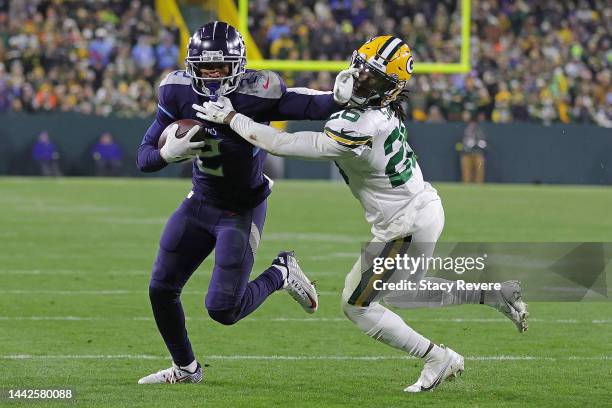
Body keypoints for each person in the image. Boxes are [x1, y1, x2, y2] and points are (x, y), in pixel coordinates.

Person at [198, 35, 529, 392]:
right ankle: (493, 294)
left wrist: (232, 118)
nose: (362, 80)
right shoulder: (373, 110)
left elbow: (282, 143)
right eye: (362, 71)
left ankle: (437, 357)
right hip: (420, 209)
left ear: (389, 89)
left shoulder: (360, 124)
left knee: (356, 304)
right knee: (406, 291)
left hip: (405, 224)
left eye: (374, 79)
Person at [136, 21, 355, 384]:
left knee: (223, 310)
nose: (212, 75)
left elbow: (312, 105)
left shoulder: (258, 92)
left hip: (241, 209)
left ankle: (281, 273)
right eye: (205, 67)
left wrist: (341, 97)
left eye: (220, 67)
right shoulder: (175, 91)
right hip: (200, 201)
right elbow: (144, 157)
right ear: (191, 65)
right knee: (160, 288)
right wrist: (167, 153)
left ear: (238, 65)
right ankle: (186, 369)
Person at [460, 112, 487, 183]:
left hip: (477, 153)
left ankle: (478, 186)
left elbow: (483, 142)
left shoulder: (479, 131)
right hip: (466, 153)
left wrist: (478, 143)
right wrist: (466, 144)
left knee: (479, 170)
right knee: (466, 172)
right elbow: (461, 142)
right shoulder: (465, 130)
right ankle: (466, 185)